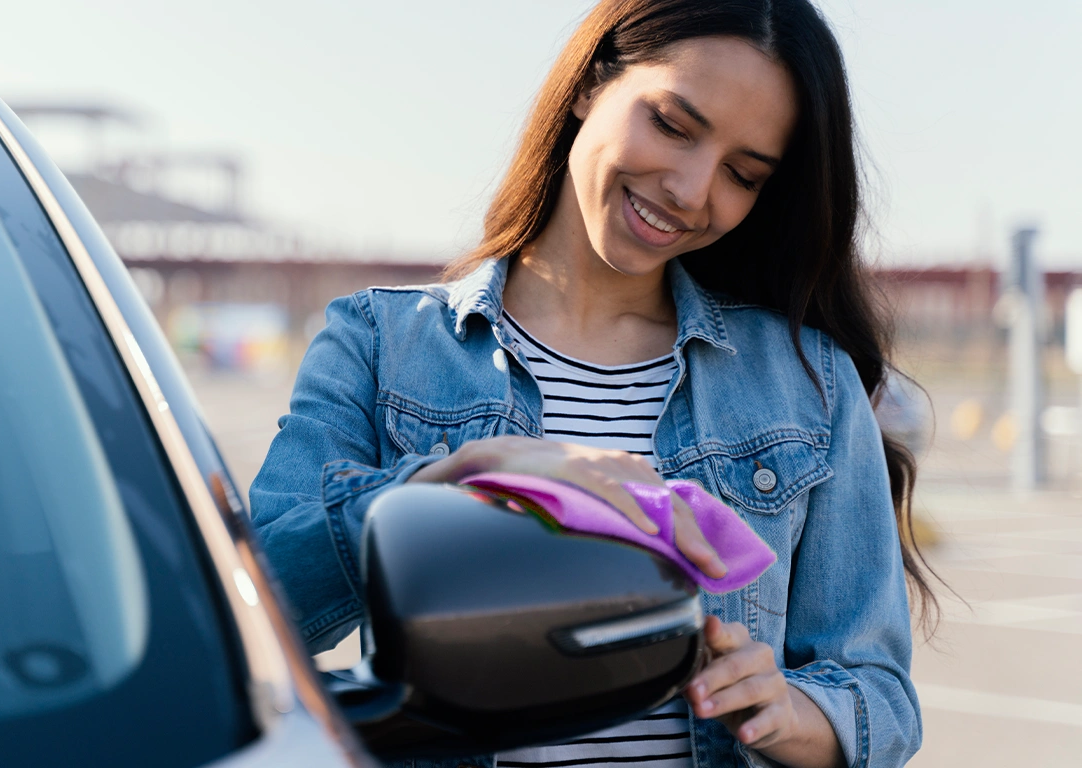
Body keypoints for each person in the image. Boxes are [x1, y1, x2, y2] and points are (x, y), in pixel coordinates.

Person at [250, 1, 931, 766]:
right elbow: (251, 621)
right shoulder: (380, 345)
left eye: (743, 174)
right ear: (588, 84)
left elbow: (880, 695)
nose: (692, 189)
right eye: (673, 125)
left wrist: (791, 709)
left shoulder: (809, 383)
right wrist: (440, 485)